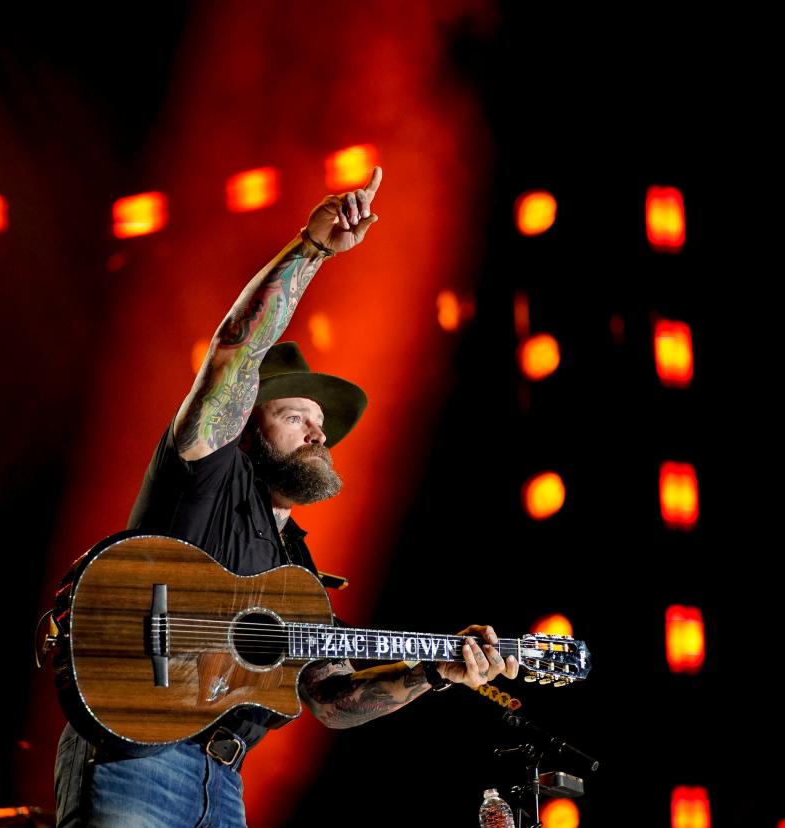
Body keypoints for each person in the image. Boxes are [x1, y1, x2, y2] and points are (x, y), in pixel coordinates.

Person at [54, 167, 519, 827]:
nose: (320, 430)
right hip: (136, 755)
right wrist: (312, 249)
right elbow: (235, 354)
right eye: (298, 413)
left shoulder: (299, 576)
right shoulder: (207, 469)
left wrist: (437, 671)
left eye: (320, 423)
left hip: (226, 786)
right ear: (247, 421)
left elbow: (331, 698)